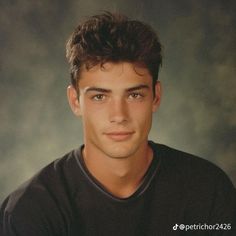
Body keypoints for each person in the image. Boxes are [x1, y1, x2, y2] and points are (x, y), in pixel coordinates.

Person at [0, 11, 235, 236]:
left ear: (156, 97)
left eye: (134, 95)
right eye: (99, 97)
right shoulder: (30, 211)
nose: (119, 115)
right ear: (75, 101)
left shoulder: (207, 189)